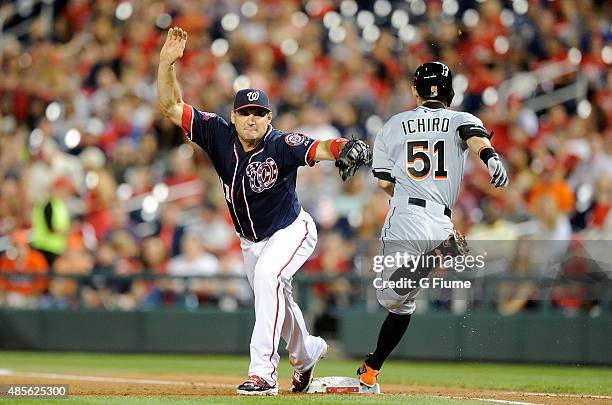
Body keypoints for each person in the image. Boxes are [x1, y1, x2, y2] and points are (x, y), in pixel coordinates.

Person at [157, 27, 371, 395]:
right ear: (234, 115)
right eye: (245, 113)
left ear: (269, 118)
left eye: (259, 113)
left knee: (269, 278)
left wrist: (343, 147)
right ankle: (308, 355)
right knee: (279, 303)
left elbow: (319, 147)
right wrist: (166, 64)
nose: (252, 119)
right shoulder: (217, 134)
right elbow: (171, 106)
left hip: (292, 229)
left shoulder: (281, 143)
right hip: (250, 241)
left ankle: (264, 374)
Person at [357, 62, 509, 387]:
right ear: (450, 92)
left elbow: (384, 181)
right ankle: (371, 369)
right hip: (442, 221)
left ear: (415, 91)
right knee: (404, 304)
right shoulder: (462, 119)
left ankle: (438, 255)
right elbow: (475, 138)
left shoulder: (394, 124)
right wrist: (491, 157)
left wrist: (406, 193)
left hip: (407, 214)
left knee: (389, 295)